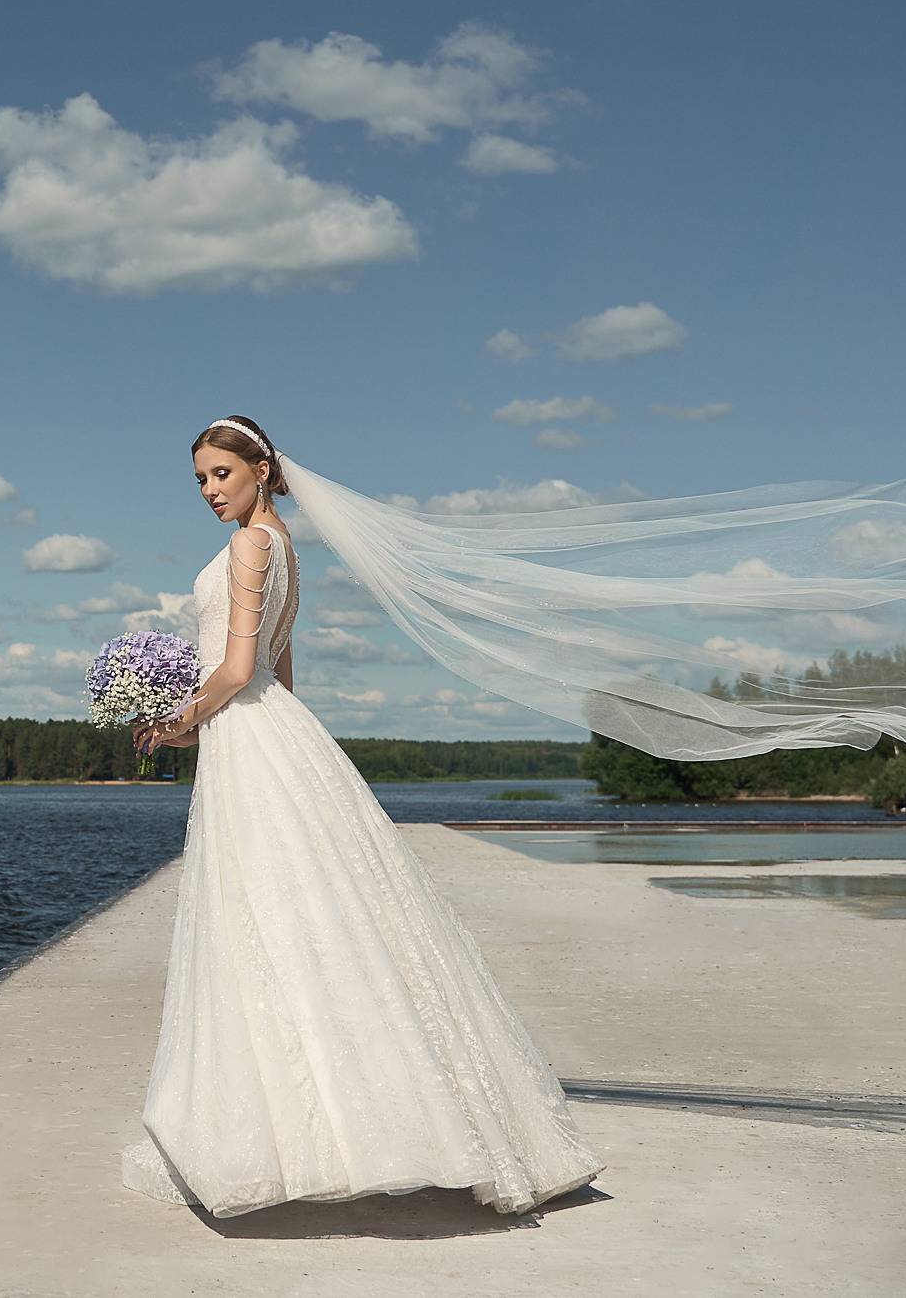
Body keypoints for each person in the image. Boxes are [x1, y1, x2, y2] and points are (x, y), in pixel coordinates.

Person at [119, 415, 602, 1217]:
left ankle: (297, 1141)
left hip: (246, 736)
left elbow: (238, 668)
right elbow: (283, 676)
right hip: (275, 736)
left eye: (221, 474)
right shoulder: (288, 550)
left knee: (260, 926)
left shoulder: (249, 546)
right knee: (312, 924)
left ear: (263, 469)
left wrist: (174, 722)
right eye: (200, 479)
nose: (210, 490)